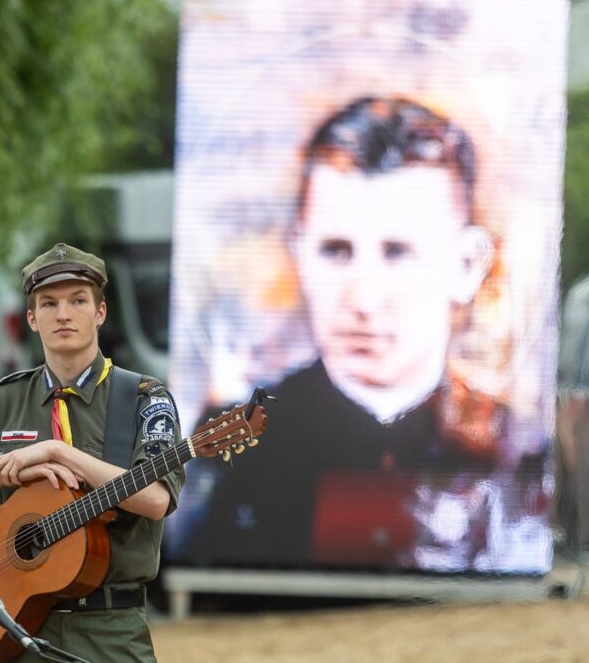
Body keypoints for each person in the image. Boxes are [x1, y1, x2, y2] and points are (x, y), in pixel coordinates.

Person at [176, 96, 549, 573]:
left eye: (397, 252)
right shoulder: (234, 442)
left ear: (467, 264)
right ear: (298, 250)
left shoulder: (517, 449)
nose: (364, 299)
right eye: (335, 250)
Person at [0, 242, 184, 662]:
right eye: (49, 303)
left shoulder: (143, 398)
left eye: (78, 300)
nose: (64, 314)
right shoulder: (5, 400)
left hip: (109, 632)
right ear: (32, 319)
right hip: (18, 628)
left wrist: (60, 453)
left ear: (100, 312)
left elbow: (156, 499)